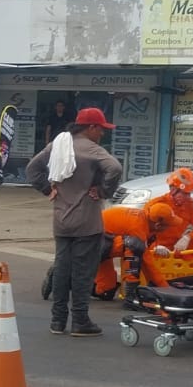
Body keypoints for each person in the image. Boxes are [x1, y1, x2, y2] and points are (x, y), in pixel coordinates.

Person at [26, 106, 124, 337]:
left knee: (62, 268)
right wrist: (102, 191)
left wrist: (46, 188)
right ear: (91, 127)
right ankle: (80, 321)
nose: (103, 134)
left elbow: (33, 168)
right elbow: (115, 168)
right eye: (101, 129)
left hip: (61, 219)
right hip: (87, 221)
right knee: (82, 272)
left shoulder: (58, 145)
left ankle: (57, 321)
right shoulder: (92, 149)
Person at [93, 202, 177, 296]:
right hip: (93, 244)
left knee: (106, 290)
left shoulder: (144, 219)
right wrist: (165, 288)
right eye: (168, 225)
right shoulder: (138, 226)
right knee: (134, 246)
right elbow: (146, 261)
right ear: (158, 225)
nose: (169, 228)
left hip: (101, 242)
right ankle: (131, 294)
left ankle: (81, 285)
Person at [146, 167, 193, 255]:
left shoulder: (189, 204)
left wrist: (188, 237)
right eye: (185, 193)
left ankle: (192, 268)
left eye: (189, 194)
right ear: (173, 190)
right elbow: (141, 231)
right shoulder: (156, 204)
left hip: (177, 246)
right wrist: (155, 246)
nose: (188, 197)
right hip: (158, 247)